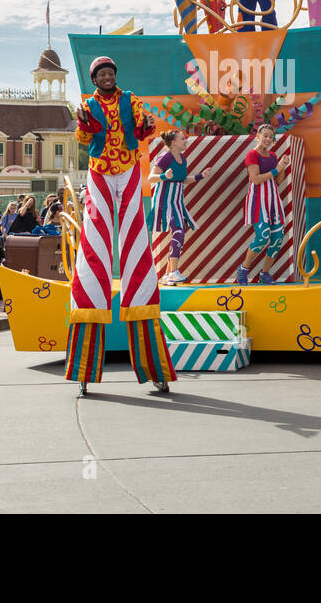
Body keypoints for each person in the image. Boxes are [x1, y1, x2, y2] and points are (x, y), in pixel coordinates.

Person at [67, 55, 174, 395]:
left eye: (111, 72)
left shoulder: (130, 100)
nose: (108, 77)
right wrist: (83, 124)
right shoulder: (87, 104)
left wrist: (143, 122)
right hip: (99, 172)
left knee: (137, 252)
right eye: (102, 74)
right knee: (93, 254)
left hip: (128, 171)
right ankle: (84, 367)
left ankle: (154, 367)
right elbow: (84, 141)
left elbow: (146, 127)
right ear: (94, 79)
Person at [149, 129, 212, 284]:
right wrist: (164, 176)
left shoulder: (182, 158)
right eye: (183, 139)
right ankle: (173, 272)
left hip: (177, 201)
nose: (186, 141)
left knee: (180, 231)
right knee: (178, 230)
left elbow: (182, 180)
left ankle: (169, 274)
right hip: (164, 200)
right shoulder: (165, 157)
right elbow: (151, 178)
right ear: (174, 142)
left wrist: (200, 176)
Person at [237, 123, 291, 285]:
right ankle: (244, 269)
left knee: (277, 239)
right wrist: (276, 169)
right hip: (258, 201)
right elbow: (255, 179)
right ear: (258, 136)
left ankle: (264, 273)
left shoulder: (273, 156)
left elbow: (278, 181)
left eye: (270, 136)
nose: (268, 139)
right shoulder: (252, 155)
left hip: (273, 201)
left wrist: (282, 167)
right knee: (262, 237)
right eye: (265, 135)